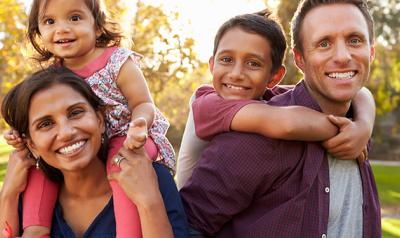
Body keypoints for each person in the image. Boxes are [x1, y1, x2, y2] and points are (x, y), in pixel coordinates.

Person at [180, 1, 381, 237]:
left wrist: (363, 126)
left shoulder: (357, 124)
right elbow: (187, 226)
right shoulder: (254, 135)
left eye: (354, 40)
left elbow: (363, 94)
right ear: (300, 59)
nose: (342, 56)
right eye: (324, 43)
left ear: (371, 51)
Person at [4, 0, 175, 237]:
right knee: (39, 170)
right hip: (93, 144)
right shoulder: (55, 74)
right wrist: (9, 188)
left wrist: (139, 126)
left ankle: (127, 232)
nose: (62, 28)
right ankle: (35, 229)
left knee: (120, 168)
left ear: (97, 26)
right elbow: (34, 115)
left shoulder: (116, 62)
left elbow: (143, 103)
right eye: (50, 21)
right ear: (39, 33)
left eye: (74, 18)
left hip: (127, 137)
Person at [0, 66, 188, 238]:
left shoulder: (151, 177)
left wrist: (149, 203)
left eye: (75, 113)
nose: (66, 133)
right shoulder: (26, 200)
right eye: (46, 124)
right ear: (32, 145)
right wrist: (8, 194)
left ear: (99, 120)